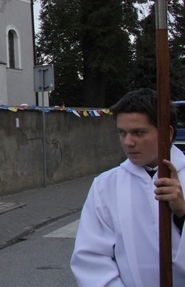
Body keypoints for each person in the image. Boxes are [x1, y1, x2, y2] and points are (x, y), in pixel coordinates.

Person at [71, 88, 185, 285]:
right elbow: (91, 258)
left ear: (167, 132)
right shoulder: (106, 186)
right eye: (122, 133)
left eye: (138, 133)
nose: (128, 142)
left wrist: (183, 214)